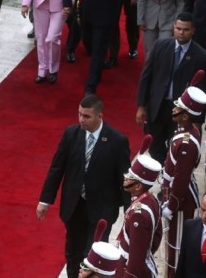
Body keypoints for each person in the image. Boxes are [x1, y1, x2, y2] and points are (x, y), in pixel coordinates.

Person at [37, 95, 131, 278]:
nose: (81, 120)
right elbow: (57, 168)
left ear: (99, 116)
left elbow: (124, 179)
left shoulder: (117, 140)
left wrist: (129, 211)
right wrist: (45, 200)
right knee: (73, 253)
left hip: (102, 210)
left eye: (86, 116)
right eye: (79, 114)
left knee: (93, 258)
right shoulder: (71, 134)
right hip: (74, 207)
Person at [136, 12, 206, 164]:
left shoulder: (201, 56)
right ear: (173, 28)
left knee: (176, 147)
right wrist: (141, 106)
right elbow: (146, 76)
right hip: (158, 106)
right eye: (178, 28)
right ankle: (164, 174)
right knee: (155, 146)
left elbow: (202, 90)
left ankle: (170, 176)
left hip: (181, 111)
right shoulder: (160, 46)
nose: (181, 32)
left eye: (186, 29)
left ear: (193, 30)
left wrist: (197, 121)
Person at [161, 78, 206, 278]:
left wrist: (172, 205)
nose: (174, 109)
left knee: (177, 249)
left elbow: (180, 178)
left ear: (187, 115)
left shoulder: (187, 141)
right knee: (173, 248)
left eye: (179, 107)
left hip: (181, 201)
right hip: (176, 195)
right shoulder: (186, 131)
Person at [115, 135, 163, 278]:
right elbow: (156, 236)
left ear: (138, 185)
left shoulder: (139, 214)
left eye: (130, 177)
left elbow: (136, 258)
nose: (125, 177)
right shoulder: (149, 199)